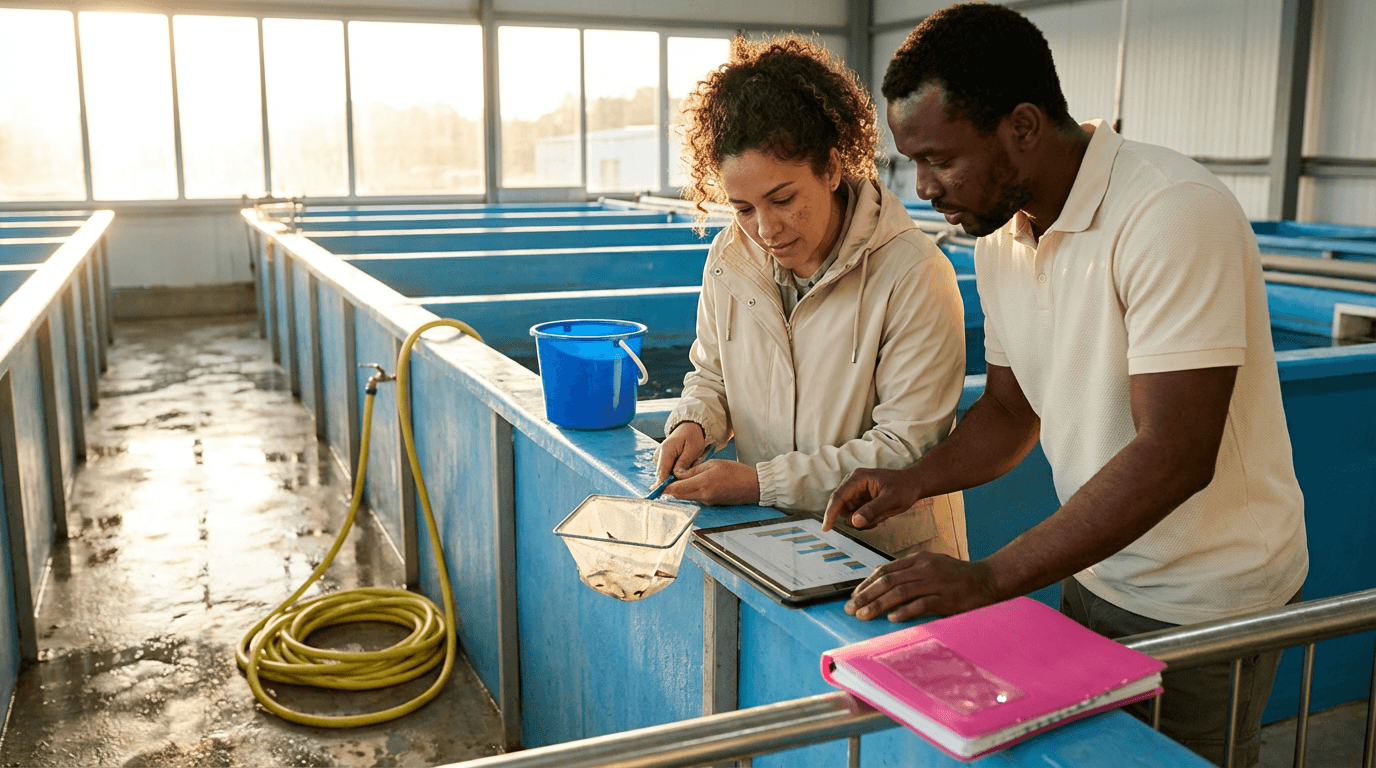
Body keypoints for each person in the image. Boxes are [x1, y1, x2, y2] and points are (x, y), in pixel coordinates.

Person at [822, 4, 1308, 766]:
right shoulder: (1003, 236)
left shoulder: (1170, 213)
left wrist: (991, 577)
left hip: (1208, 601)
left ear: (1022, 127)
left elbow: (1177, 452)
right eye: (911, 162)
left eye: (941, 158)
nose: (922, 188)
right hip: (1096, 569)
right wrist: (914, 481)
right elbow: (1014, 412)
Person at [657, 35, 968, 559]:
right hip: (776, 546)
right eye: (743, 208)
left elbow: (906, 449)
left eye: (783, 199)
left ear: (830, 168)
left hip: (887, 556)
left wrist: (759, 484)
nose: (766, 228)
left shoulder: (913, 274)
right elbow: (712, 375)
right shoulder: (729, 259)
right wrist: (695, 421)